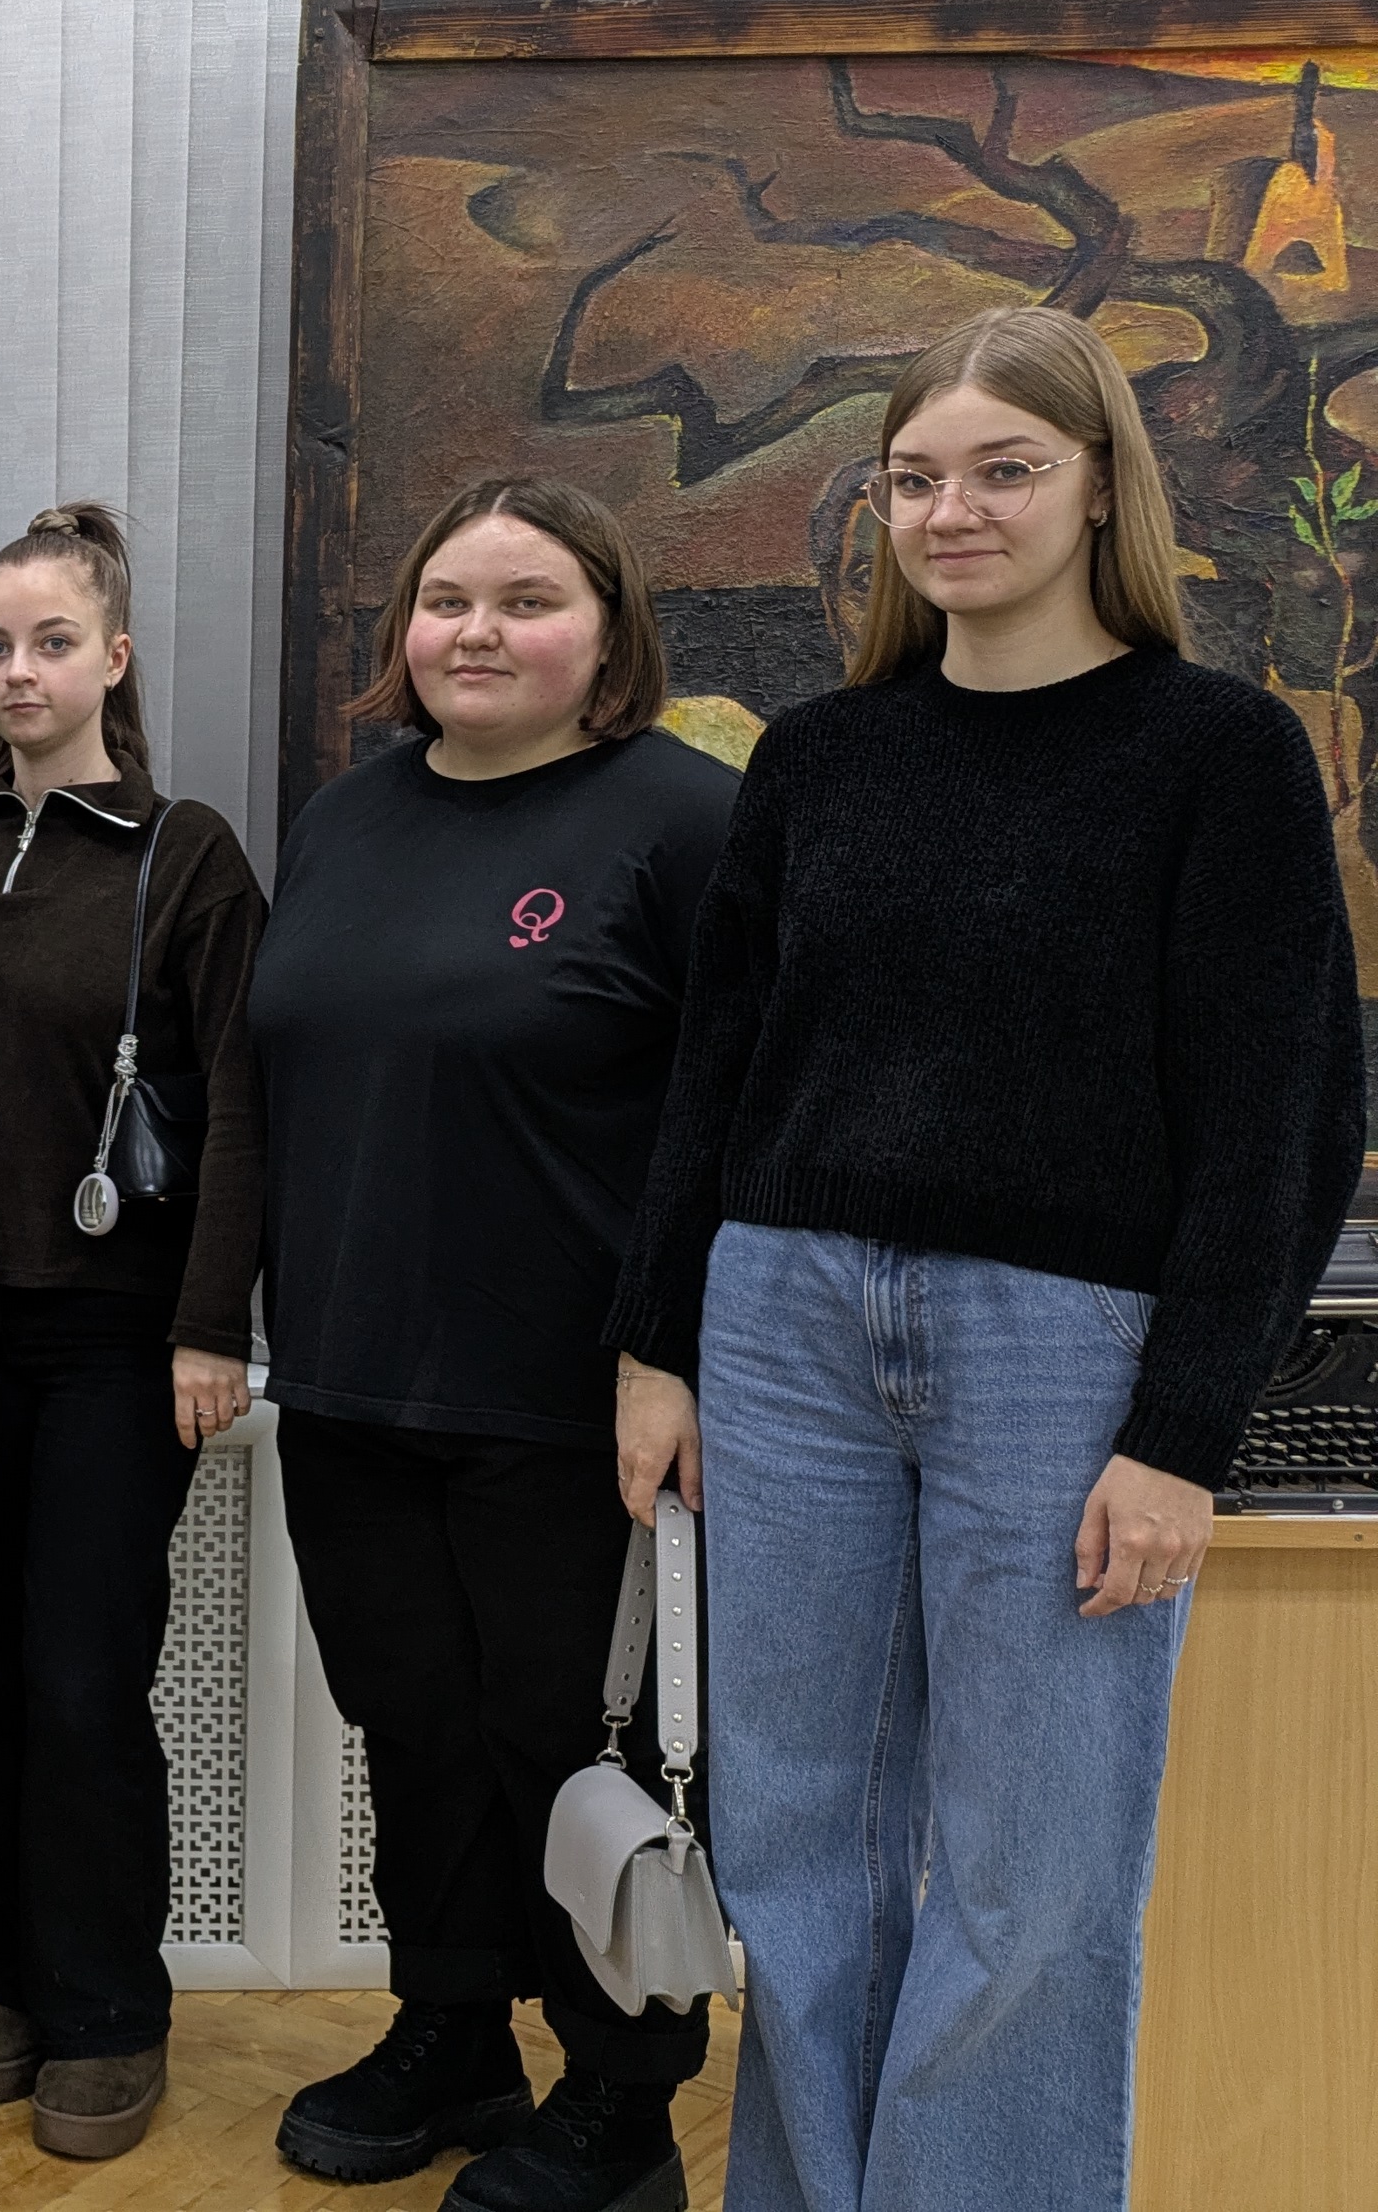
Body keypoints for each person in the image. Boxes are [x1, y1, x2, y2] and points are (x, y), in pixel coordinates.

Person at [608, 307, 1360, 2212]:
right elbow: (716, 1068)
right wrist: (654, 1342)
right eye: (914, 478)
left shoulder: (1217, 753)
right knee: (797, 1846)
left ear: (1100, 486)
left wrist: (1181, 1432)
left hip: (1062, 1347)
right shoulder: (819, 756)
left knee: (1032, 1864)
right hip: (781, 1324)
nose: (951, 511)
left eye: (1003, 470)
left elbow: (1277, 1117)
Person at [248, 478, 739, 2212]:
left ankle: (622, 2098)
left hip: (573, 1397)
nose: (477, 631)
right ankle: (452, 2030)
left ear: (607, 632)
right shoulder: (346, 819)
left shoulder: (686, 820)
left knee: (577, 1748)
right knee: (413, 1727)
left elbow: (733, 1114)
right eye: (447, 599)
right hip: (351, 1376)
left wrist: (667, 1350)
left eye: (527, 601)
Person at [0, 504, 265, 2160]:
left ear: (113, 658)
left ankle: (113, 2009)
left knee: (79, 1676)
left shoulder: (184, 856)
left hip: (122, 1341)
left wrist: (214, 1324)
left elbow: (250, 1101)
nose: (19, 672)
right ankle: (21, 1984)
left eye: (52, 642)